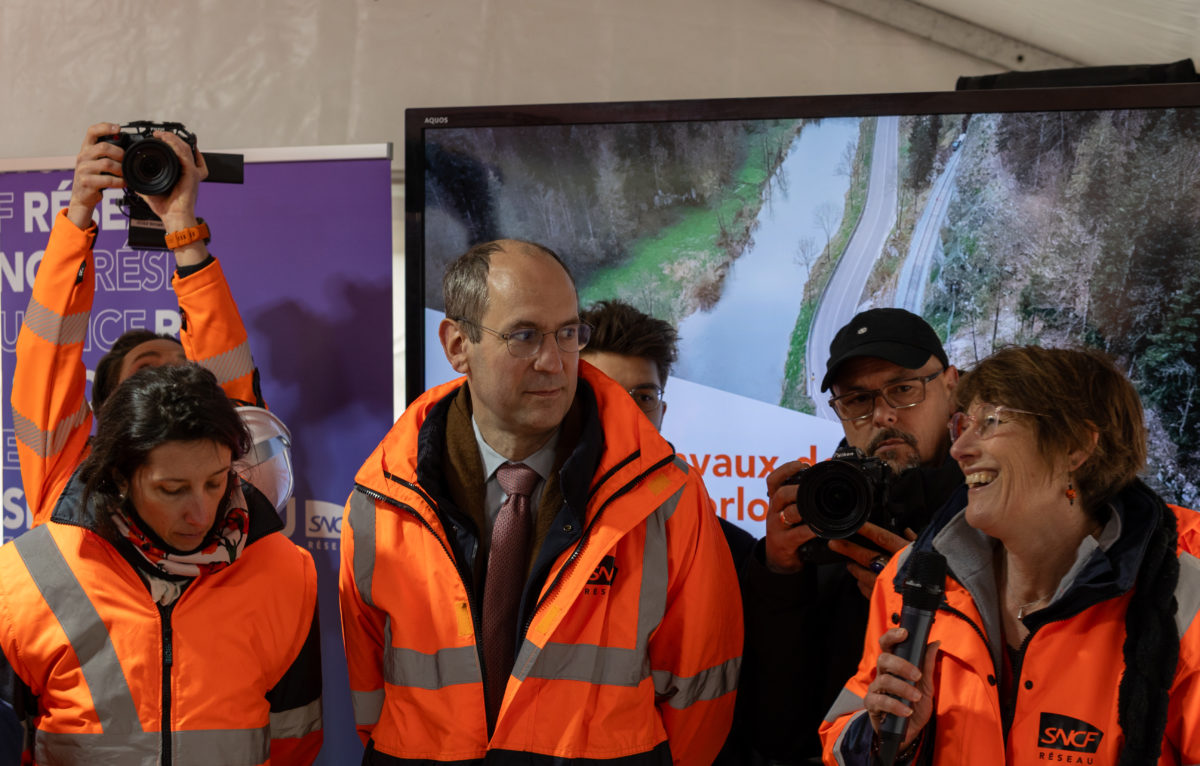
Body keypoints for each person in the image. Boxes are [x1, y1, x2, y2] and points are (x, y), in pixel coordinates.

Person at [339, 240, 742, 764]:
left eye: (569, 334)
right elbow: (372, 692)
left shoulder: (668, 498)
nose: (554, 362)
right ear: (457, 344)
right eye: (524, 336)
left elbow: (699, 696)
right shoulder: (381, 498)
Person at [821, 345, 1200, 764]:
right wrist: (884, 740)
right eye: (961, 425)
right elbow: (840, 738)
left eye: (990, 422)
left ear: (1075, 447)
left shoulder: (1182, 604)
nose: (959, 449)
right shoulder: (910, 577)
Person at [0, 363, 322, 765]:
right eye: (173, 490)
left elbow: (295, 742)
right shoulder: (27, 576)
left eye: (216, 481)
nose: (201, 514)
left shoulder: (286, 572)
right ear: (119, 476)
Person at [11, 122, 262, 526]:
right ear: (106, 411)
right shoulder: (67, 480)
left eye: (183, 367)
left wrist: (181, 221)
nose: (171, 379)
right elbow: (46, 359)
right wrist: (78, 210)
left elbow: (228, 377)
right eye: (145, 369)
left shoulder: (236, 479)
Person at [746, 308, 962, 763]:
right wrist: (780, 574)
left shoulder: (994, 505)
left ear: (950, 384)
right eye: (858, 401)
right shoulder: (827, 506)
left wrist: (932, 598)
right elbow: (778, 726)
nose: (882, 415)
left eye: (903, 389)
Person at [579, 299, 756, 763]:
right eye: (606, 396)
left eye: (643, 397)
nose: (630, 416)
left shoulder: (728, 549)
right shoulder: (518, 524)